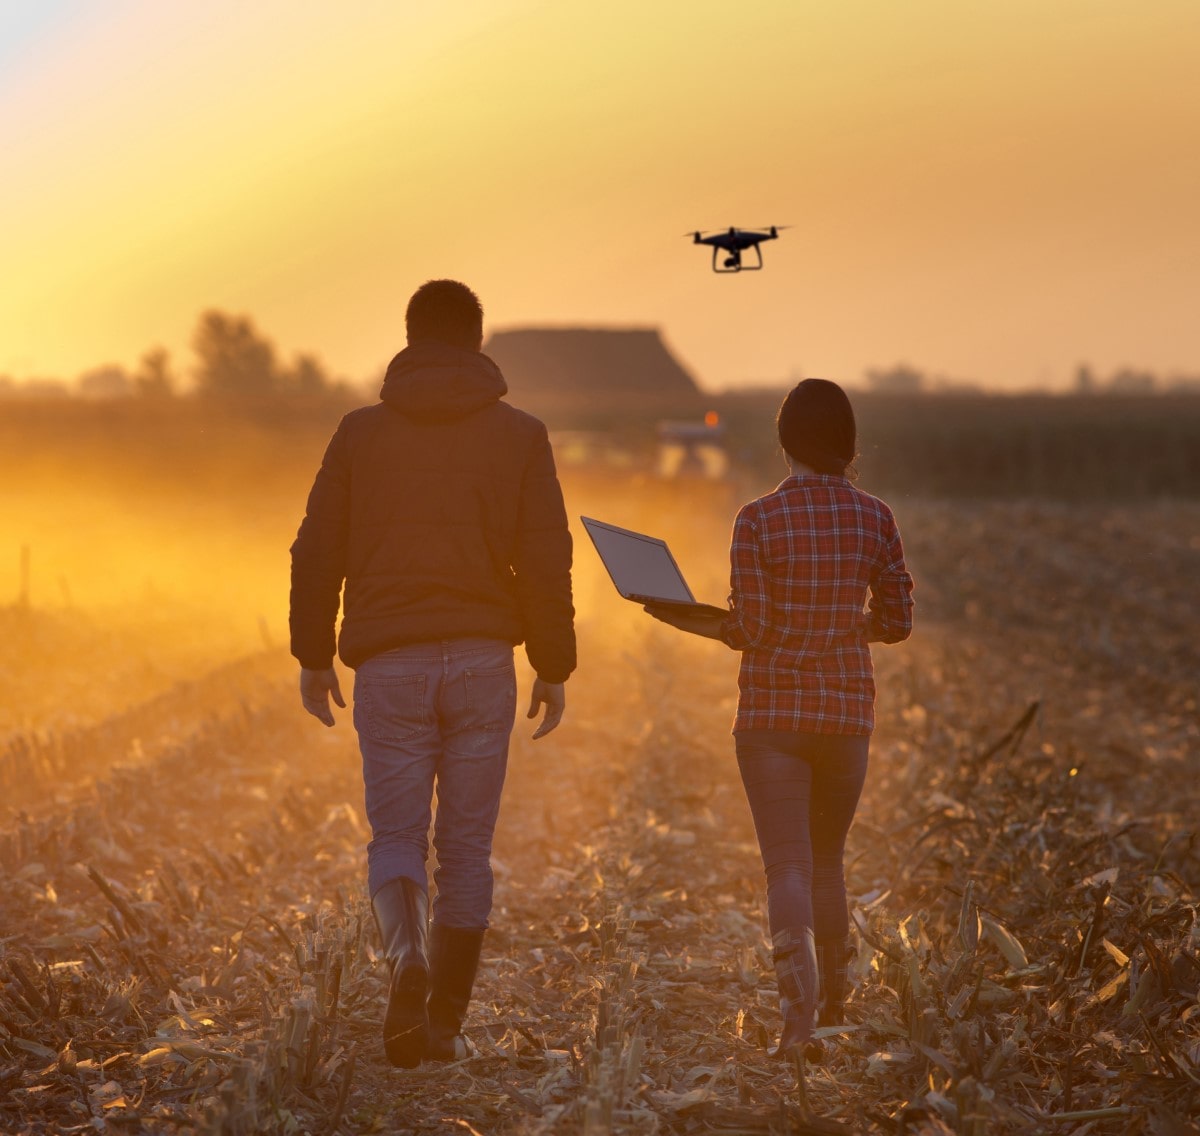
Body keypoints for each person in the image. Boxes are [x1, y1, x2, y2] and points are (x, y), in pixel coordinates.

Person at [289, 279, 576, 1068]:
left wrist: (313, 653)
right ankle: (443, 1021)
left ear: (410, 338)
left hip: (391, 663)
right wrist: (553, 663)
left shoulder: (359, 433)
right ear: (479, 343)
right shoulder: (522, 435)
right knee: (467, 850)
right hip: (485, 663)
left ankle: (405, 960)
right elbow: (547, 557)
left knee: (397, 837)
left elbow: (316, 549)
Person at [645, 378, 913, 1059]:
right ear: (849, 444)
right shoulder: (876, 517)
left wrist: (689, 617)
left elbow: (755, 628)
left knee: (786, 866)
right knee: (829, 860)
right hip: (846, 715)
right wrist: (845, 627)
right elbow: (898, 621)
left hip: (771, 718)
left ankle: (797, 1025)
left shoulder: (757, 519)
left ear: (784, 441)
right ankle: (837, 1006)